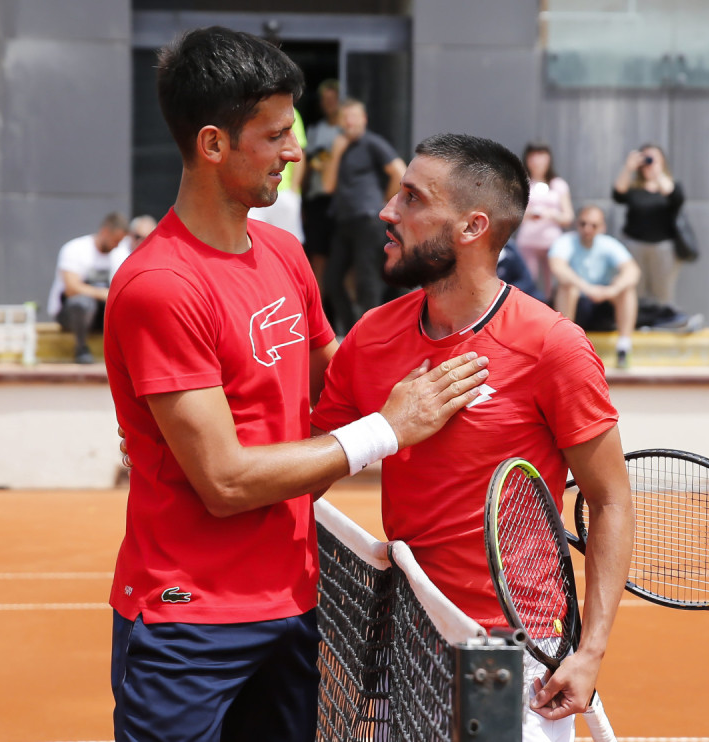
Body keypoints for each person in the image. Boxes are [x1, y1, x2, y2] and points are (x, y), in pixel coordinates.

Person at [102, 26, 489, 742]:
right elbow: (223, 480)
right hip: (189, 622)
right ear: (213, 145)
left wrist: (484, 376)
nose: (294, 151)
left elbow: (343, 378)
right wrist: (387, 431)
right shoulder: (159, 286)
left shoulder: (283, 253)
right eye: (276, 134)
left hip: (291, 603)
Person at [310, 133, 635, 742]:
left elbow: (611, 499)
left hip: (517, 648)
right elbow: (304, 466)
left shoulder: (552, 345)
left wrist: (589, 652)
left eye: (411, 198)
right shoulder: (369, 339)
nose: (388, 211)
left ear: (471, 226)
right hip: (409, 639)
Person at [322, 98, 406, 334]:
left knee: (366, 281)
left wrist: (383, 203)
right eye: (344, 117)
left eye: (353, 117)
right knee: (332, 280)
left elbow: (400, 172)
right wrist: (337, 153)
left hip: (368, 220)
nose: (349, 122)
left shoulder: (373, 143)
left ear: (364, 119)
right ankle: (353, 332)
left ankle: (372, 335)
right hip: (344, 221)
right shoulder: (339, 147)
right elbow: (328, 186)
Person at [549, 205, 640, 369]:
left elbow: (633, 271)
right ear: (577, 224)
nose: (587, 229)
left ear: (602, 227)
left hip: (603, 307)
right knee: (567, 287)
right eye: (583, 224)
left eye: (593, 225)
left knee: (627, 289)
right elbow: (557, 267)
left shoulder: (609, 244)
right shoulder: (565, 241)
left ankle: (624, 347)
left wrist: (612, 290)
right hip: (577, 305)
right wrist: (587, 288)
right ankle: (564, 346)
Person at [46, 211, 130, 364]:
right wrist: (102, 293)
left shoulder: (120, 253)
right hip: (70, 314)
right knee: (83, 303)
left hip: (101, 314)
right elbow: (71, 289)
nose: (116, 245)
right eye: (115, 240)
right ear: (105, 232)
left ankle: (126, 354)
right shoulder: (76, 249)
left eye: (120, 241)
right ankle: (81, 348)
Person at [611, 143, 684, 305]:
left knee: (662, 290)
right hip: (634, 244)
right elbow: (617, 194)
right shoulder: (634, 187)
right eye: (646, 157)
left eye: (653, 157)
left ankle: (662, 322)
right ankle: (638, 323)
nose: (649, 161)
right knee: (635, 289)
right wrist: (628, 168)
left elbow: (674, 197)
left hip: (662, 246)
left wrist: (657, 173)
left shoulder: (670, 185)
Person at [517, 142, 574, 302]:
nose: (537, 160)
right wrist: (529, 214)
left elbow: (568, 217)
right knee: (527, 284)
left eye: (541, 155)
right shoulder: (522, 183)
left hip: (552, 243)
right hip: (528, 241)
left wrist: (551, 214)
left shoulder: (558, 184)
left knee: (553, 285)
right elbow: (513, 214)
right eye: (533, 156)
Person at [301, 79, 341, 295]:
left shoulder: (347, 131)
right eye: (325, 100)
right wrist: (302, 199)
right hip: (317, 200)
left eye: (333, 99)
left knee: (344, 261)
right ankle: (320, 314)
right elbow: (307, 166)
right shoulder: (316, 131)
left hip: (342, 202)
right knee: (318, 259)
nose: (329, 104)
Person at [248, 107, 307, 241]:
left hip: (284, 192)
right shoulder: (248, 107)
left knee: (289, 245)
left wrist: (293, 192)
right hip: (254, 194)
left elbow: (300, 154)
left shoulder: (289, 110)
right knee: (253, 244)